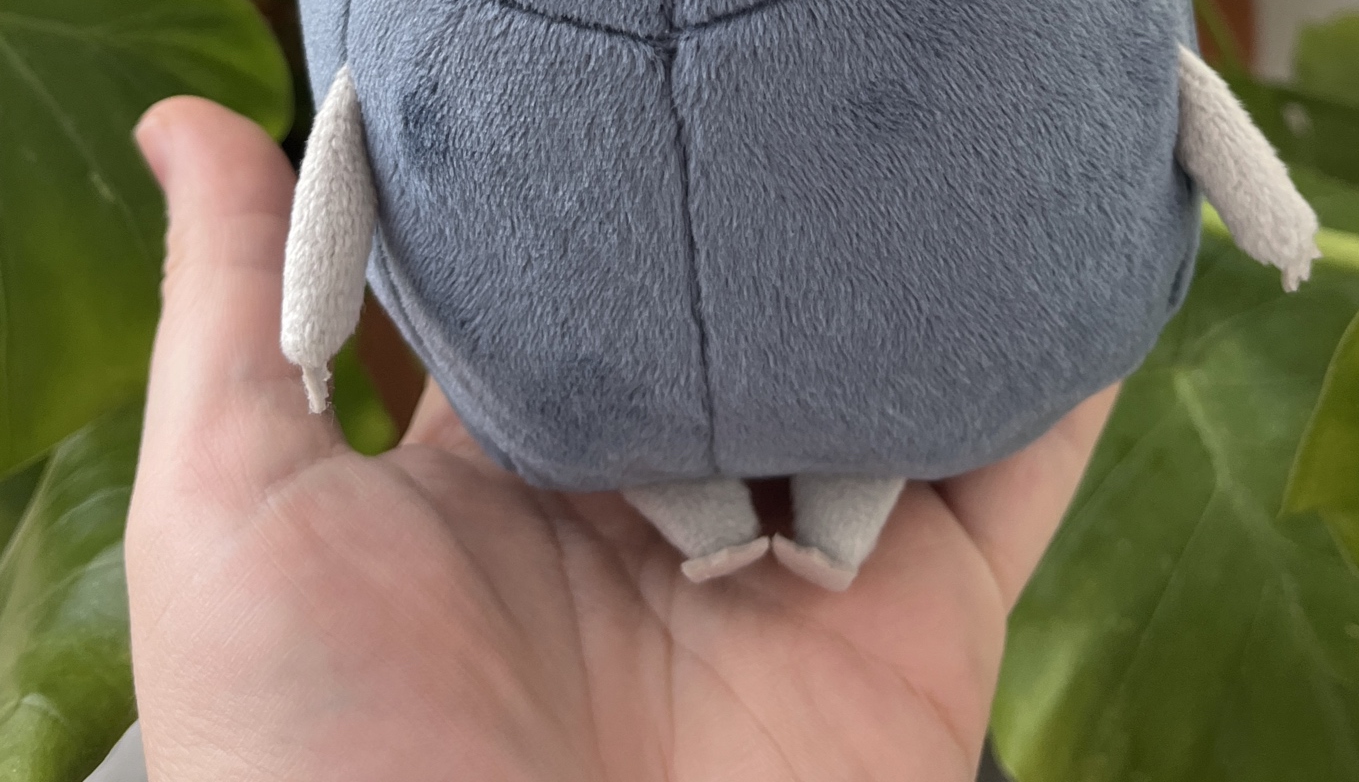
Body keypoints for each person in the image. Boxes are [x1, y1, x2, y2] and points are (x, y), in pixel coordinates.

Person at [126, 96, 1115, 781]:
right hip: (680, 393)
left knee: (638, 436)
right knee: (713, 438)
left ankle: (803, 519)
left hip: (586, 387)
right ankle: (806, 521)